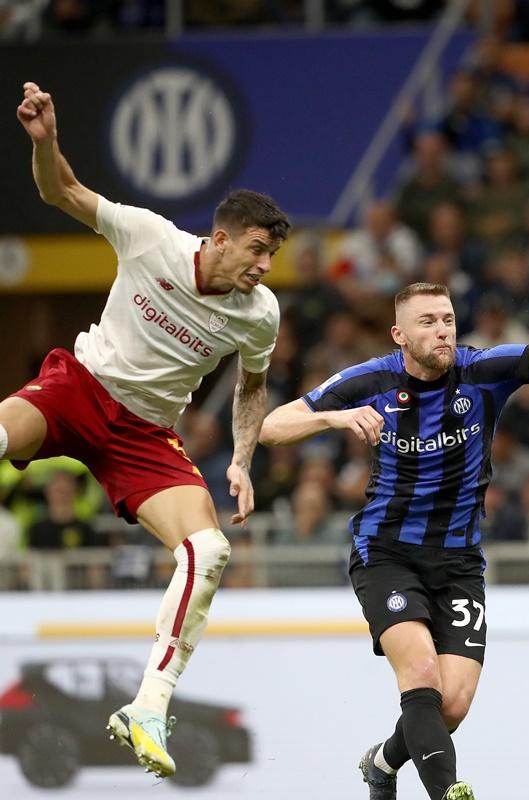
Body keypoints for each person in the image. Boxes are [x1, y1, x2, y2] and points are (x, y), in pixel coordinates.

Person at [10, 82, 290, 777]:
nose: (263, 267)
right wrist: (45, 142)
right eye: (255, 250)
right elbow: (63, 193)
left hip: (144, 436)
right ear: (219, 238)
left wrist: (243, 459)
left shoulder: (260, 313)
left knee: (209, 551)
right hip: (78, 390)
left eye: (271, 257)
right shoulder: (148, 236)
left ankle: (148, 703)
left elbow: (252, 389)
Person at [258, 283, 529, 800]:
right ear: (399, 334)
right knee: (422, 676)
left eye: (448, 318)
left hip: (459, 562)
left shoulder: (483, 370)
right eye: (427, 321)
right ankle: (449, 793)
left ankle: (382, 762)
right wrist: (334, 417)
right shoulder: (371, 379)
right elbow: (270, 426)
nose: (442, 330)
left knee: (449, 706)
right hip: (386, 552)